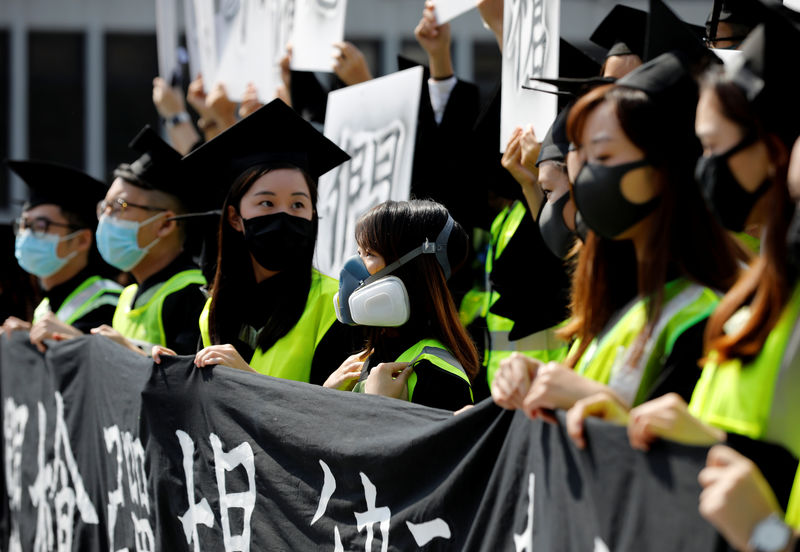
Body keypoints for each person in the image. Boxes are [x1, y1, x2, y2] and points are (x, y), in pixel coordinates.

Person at [567, 12, 800, 512]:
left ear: (776, 150)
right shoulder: (753, 298)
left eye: (712, 147)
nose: (704, 169)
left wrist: (768, 536)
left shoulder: (714, 304)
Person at [492, 9, 746, 417]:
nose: (584, 176)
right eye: (583, 155)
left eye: (605, 155)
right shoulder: (611, 308)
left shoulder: (705, 321)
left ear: (666, 170)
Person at [160, 99, 358, 385]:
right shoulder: (213, 311)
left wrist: (248, 380)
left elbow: (336, 418)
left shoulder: (336, 307)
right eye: (267, 202)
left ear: (313, 215)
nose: (284, 216)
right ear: (235, 218)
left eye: (298, 205)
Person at [327, 199, 479, 411]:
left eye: (370, 253)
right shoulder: (367, 358)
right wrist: (325, 397)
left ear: (412, 270)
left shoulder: (439, 374)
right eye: (359, 252)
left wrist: (381, 409)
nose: (354, 266)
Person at [92, 126, 207, 355]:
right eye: (104, 207)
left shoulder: (194, 294)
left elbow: (188, 382)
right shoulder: (128, 295)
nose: (106, 217)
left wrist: (128, 352)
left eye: (119, 206)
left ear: (165, 224)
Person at [1, 160, 122, 350]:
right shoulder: (46, 306)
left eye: (41, 226)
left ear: (81, 240)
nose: (27, 235)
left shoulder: (109, 301)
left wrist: (73, 340)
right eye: (24, 225)